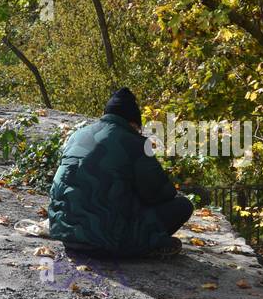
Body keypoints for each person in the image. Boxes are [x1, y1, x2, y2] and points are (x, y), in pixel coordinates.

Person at [47, 88, 193, 258]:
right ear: (133, 123)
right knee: (183, 206)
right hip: (107, 241)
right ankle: (148, 243)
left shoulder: (77, 135)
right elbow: (161, 194)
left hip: (66, 234)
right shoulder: (135, 143)